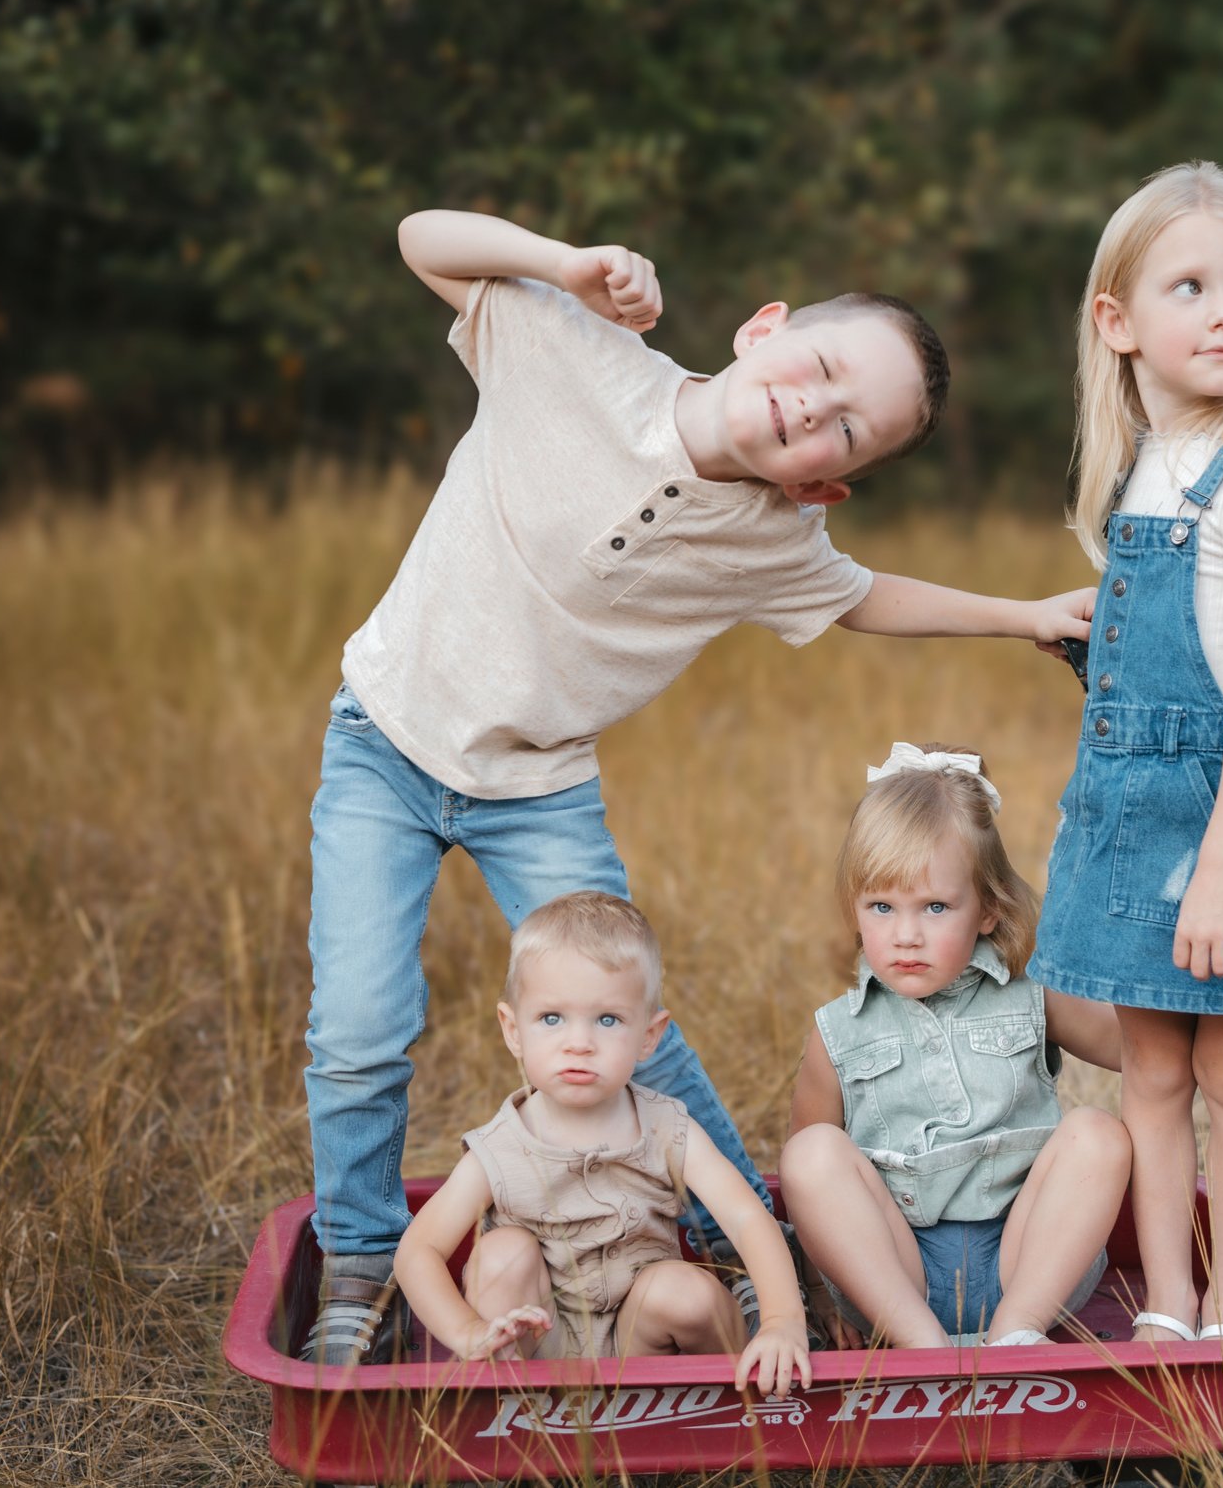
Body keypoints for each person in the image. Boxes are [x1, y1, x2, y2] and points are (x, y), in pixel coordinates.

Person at [302, 210, 1094, 1364]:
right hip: (384, 740)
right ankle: (361, 1263)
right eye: (819, 368)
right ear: (763, 328)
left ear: (829, 485)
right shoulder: (576, 350)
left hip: (539, 785)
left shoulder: (772, 537)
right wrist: (563, 264)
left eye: (845, 428)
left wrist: (1022, 614)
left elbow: (864, 597)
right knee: (360, 1027)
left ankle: (749, 1253)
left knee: (632, 1020)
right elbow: (423, 238)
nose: (812, 409)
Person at [1028, 163, 1223, 1344]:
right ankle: (1164, 1296)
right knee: (1150, 1074)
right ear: (1117, 322)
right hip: (1127, 811)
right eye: (1192, 287)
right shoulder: (1136, 470)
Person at [780, 743, 1131, 1349]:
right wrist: (814, 1292)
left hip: (1028, 1264)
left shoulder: (1032, 994)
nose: (906, 935)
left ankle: (1016, 1333)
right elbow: (810, 1192)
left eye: (935, 907)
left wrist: (1127, 951)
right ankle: (924, 1348)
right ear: (855, 909)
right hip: (896, 1279)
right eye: (882, 907)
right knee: (810, 1153)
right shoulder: (838, 1031)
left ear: (989, 908)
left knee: (1098, 1133)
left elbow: (1143, 1054)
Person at [393, 892, 810, 1396]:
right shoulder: (500, 1149)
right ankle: (516, 1404)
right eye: (552, 1018)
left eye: (607, 1019)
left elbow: (746, 1218)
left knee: (687, 1293)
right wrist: (467, 1331)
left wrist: (782, 1320)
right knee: (502, 1255)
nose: (579, 1043)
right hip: (538, 1341)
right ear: (513, 1030)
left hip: (646, 1342)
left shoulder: (666, 1127)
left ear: (649, 1036)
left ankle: (723, 1407)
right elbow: (418, 1251)